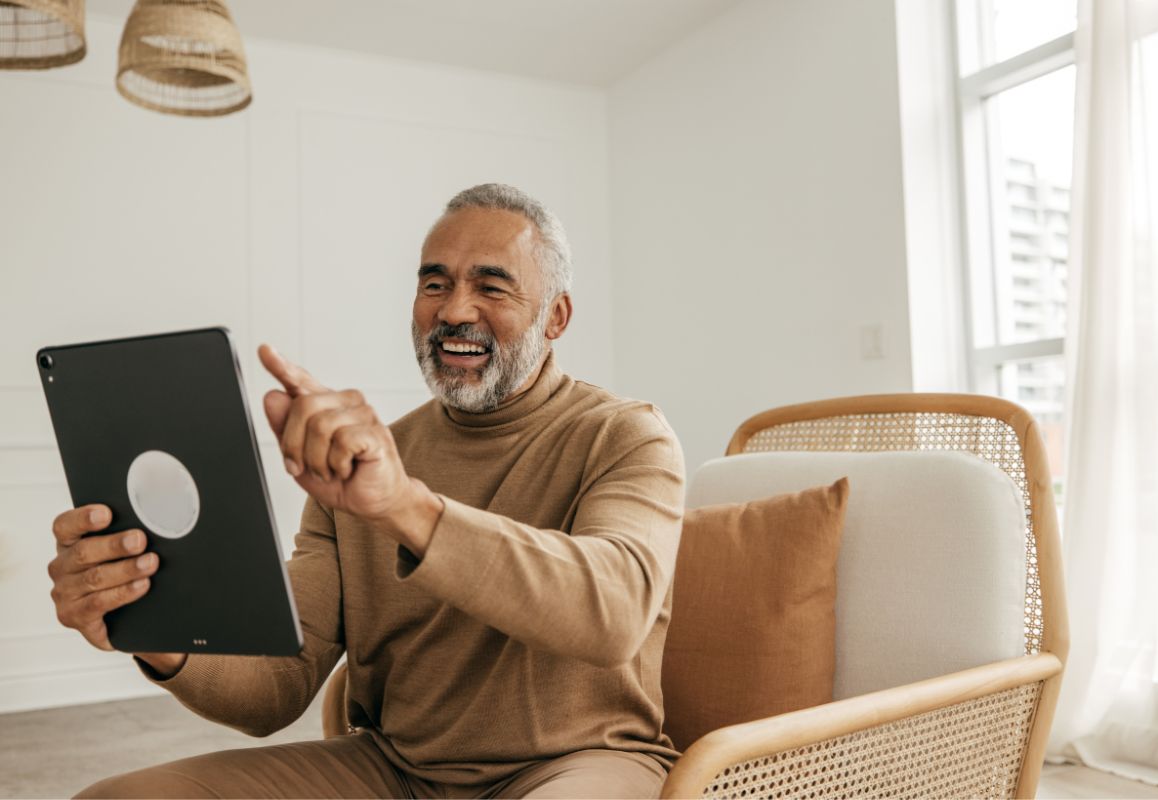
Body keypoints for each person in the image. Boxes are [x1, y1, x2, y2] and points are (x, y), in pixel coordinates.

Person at [46, 184, 686, 799]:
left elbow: (612, 613)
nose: (455, 309)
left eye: (491, 286)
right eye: (434, 283)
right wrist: (150, 627)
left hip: (582, 764)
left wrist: (404, 506)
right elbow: (278, 686)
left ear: (557, 317)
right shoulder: (359, 464)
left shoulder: (626, 434)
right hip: (395, 771)